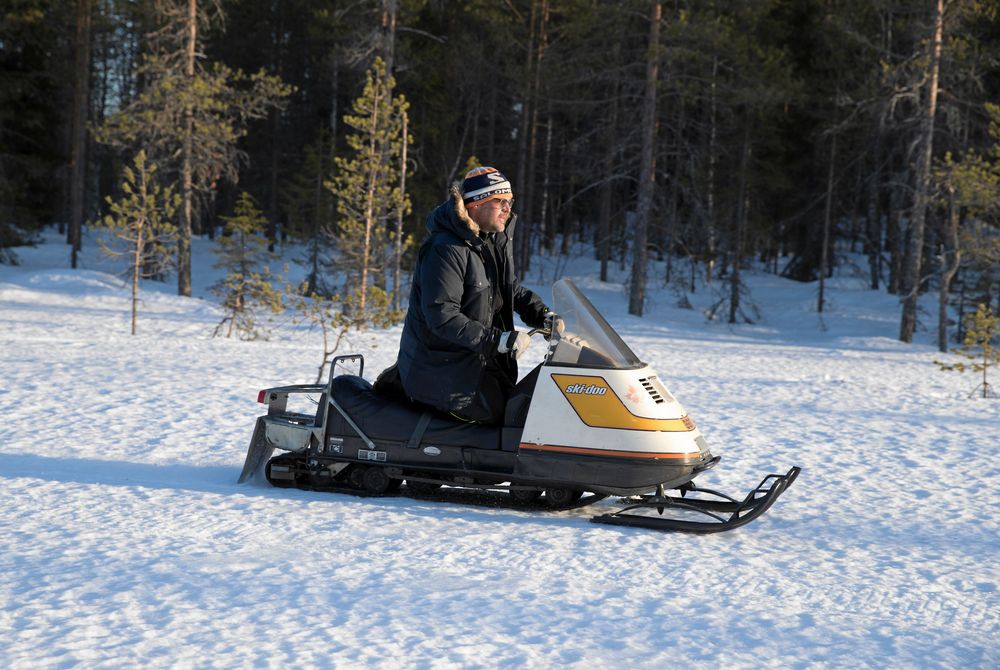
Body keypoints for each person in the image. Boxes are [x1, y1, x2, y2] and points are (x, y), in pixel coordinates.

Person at [387, 166, 554, 425]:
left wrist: (542, 315)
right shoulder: (445, 249)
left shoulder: (491, 240)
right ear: (475, 204)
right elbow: (442, 315)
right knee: (510, 421)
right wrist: (497, 340)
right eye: (500, 201)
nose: (508, 209)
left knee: (532, 408)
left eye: (510, 201)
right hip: (440, 375)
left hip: (473, 365)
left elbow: (508, 288)